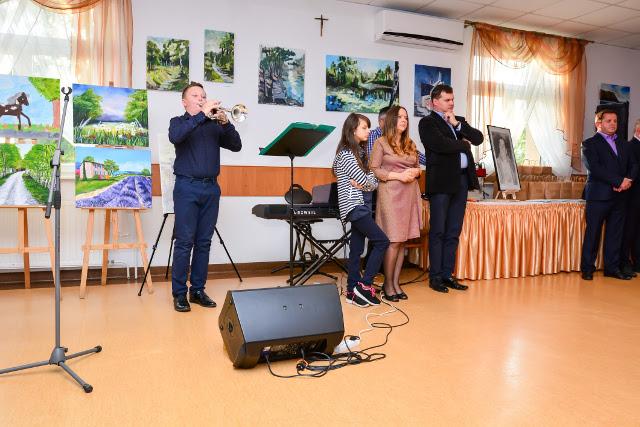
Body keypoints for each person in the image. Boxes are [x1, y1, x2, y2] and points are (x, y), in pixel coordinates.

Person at [168, 82, 242, 312]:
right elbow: (176, 137)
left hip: (211, 188)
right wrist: (201, 115)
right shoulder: (178, 122)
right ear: (184, 102)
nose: (201, 99)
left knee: (204, 242)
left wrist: (226, 122)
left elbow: (236, 146)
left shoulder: (214, 126)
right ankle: (179, 293)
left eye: (203, 96)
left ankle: (197, 290)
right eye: (196, 95)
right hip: (186, 187)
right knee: (184, 242)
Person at [418, 84, 484, 293]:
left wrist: (457, 125)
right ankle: (435, 277)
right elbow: (439, 145)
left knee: (453, 231)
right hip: (441, 183)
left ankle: (447, 275)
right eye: (447, 100)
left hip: (461, 182)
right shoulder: (427, 122)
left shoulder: (458, 121)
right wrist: (463, 144)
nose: (451, 103)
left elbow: (479, 138)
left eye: (453, 99)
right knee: (438, 230)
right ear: (435, 102)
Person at [333, 113, 389, 307]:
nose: (369, 131)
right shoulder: (346, 154)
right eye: (364, 127)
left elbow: (371, 181)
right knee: (382, 241)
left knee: (356, 250)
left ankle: (351, 291)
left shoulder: (361, 153)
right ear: (352, 130)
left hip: (361, 205)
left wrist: (367, 182)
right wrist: (368, 181)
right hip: (354, 206)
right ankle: (364, 286)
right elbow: (367, 180)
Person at [370, 106, 422, 302]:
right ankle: (387, 284)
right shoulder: (380, 142)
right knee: (393, 240)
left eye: (406, 117)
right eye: (400, 117)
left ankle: (395, 283)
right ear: (391, 119)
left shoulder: (410, 143)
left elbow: (418, 167)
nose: (404, 120)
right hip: (390, 194)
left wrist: (415, 172)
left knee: (402, 241)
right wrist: (398, 176)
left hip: (409, 194)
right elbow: (374, 169)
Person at [580, 109, 636, 281]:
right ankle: (587, 269)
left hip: (620, 196)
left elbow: (634, 164)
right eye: (608, 121)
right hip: (598, 196)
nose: (613, 124)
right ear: (598, 123)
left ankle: (612, 269)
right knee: (593, 233)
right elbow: (595, 168)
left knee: (615, 234)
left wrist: (628, 180)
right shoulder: (589, 144)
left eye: (615, 121)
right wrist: (619, 181)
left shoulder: (624, 144)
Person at [621, 118, 640, 276]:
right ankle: (625, 263)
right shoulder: (629, 146)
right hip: (632, 196)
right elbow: (630, 172)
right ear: (638, 130)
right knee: (629, 230)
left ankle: (638, 262)